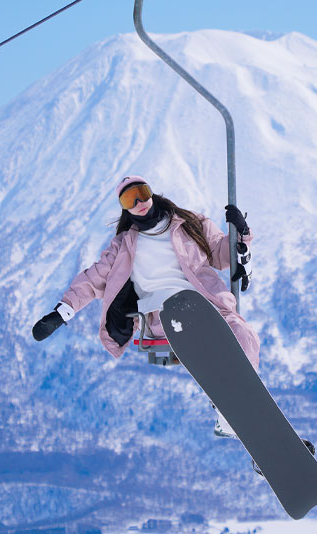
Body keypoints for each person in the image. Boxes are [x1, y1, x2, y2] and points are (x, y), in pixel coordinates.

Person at [32, 175, 260, 438]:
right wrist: (62, 312)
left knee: (244, 335)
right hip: (166, 315)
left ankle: (242, 407)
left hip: (209, 304)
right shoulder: (123, 246)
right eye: (130, 198)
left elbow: (223, 255)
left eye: (141, 192)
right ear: (125, 208)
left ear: (151, 193)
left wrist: (241, 234)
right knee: (206, 342)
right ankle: (230, 408)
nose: (139, 201)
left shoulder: (189, 224)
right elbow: (94, 278)